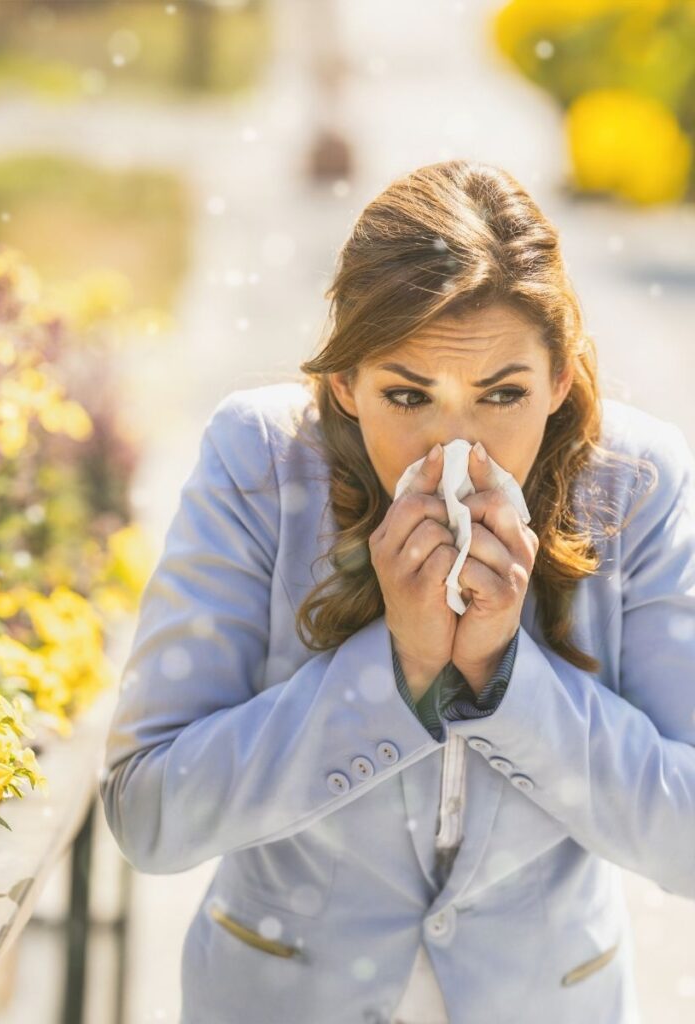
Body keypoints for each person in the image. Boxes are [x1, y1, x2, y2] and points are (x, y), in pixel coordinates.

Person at [98, 158, 694, 1024]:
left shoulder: (636, 484)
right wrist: (397, 670)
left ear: (561, 379)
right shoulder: (260, 461)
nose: (455, 449)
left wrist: (502, 675)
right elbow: (148, 813)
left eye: (503, 395)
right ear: (344, 382)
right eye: (408, 394)